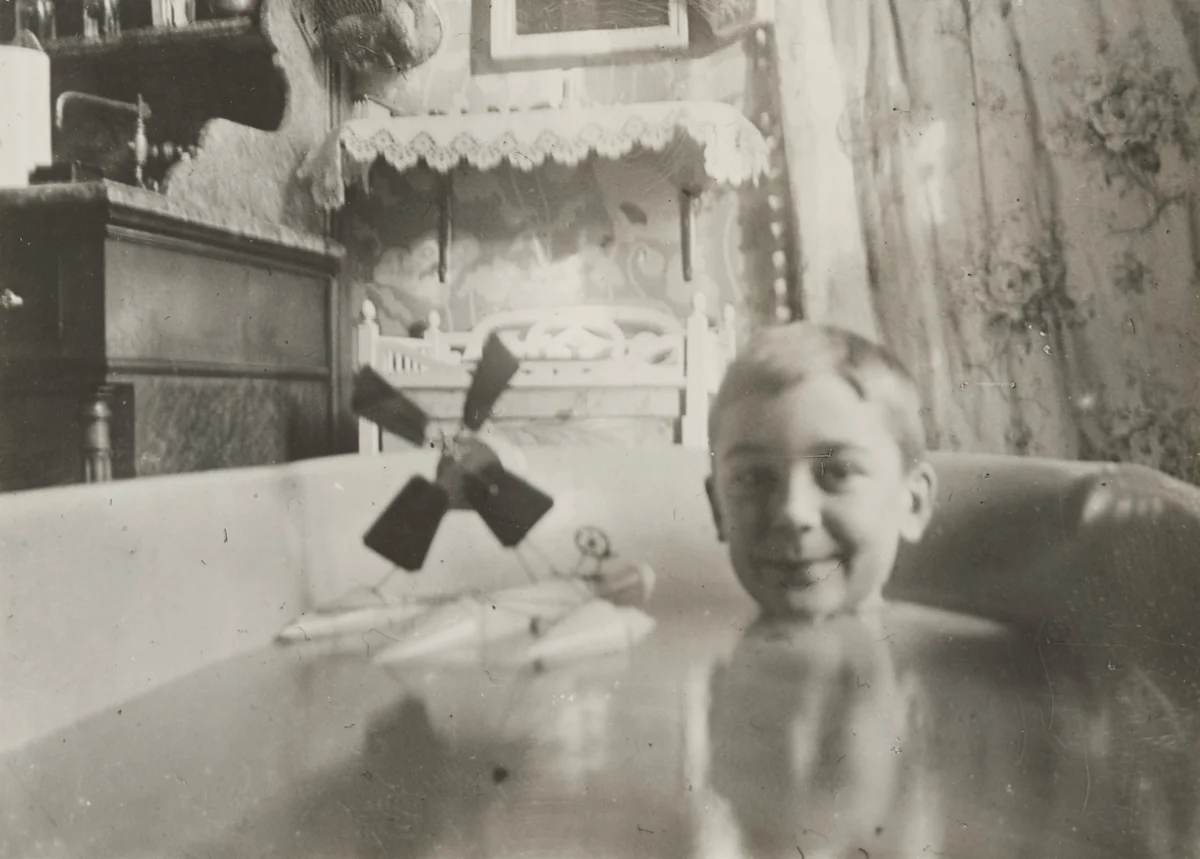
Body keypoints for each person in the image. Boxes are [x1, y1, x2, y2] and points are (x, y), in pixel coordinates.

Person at [705, 322, 937, 621]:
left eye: (839, 472)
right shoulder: (697, 652)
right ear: (717, 509)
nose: (793, 512)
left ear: (914, 504)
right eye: (753, 479)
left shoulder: (941, 652)